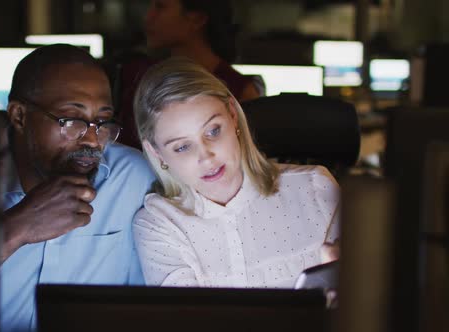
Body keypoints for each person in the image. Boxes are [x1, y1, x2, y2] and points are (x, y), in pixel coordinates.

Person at [132, 57, 340, 288]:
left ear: (232, 114)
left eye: (213, 131)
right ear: (156, 152)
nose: (206, 156)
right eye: (182, 147)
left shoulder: (315, 188)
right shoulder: (160, 225)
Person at [0, 44, 156, 332]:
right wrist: (14, 229)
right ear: (19, 116)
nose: (93, 141)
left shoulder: (133, 179)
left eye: (101, 122)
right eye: (72, 121)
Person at [116, 0, 263, 150]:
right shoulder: (136, 75)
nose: (148, 17)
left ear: (197, 19)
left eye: (160, 7)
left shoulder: (240, 89)